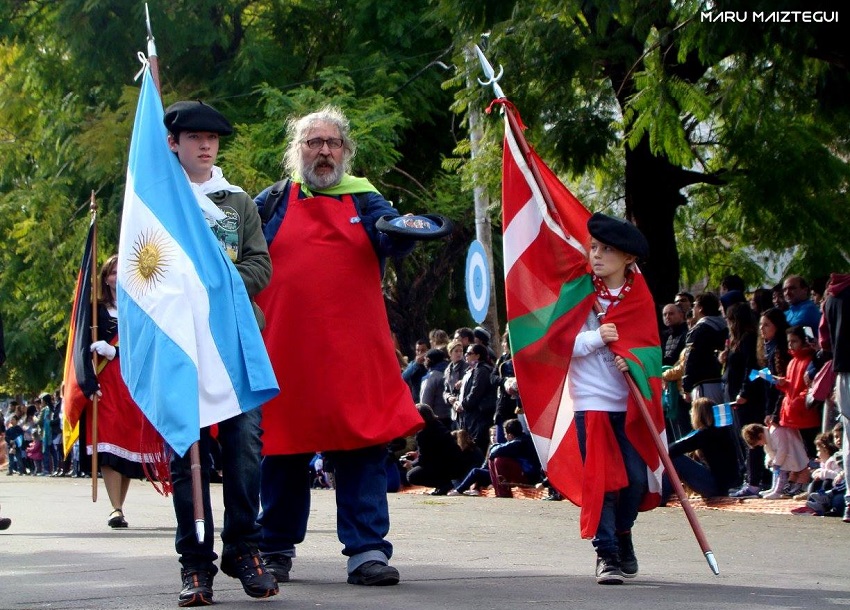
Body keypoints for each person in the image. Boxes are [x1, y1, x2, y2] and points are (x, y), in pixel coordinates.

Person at [254, 105, 423, 587]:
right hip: (287, 352)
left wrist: (405, 231)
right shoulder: (270, 202)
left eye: (332, 143)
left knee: (364, 446)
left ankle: (367, 551)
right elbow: (241, 259)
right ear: (297, 151)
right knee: (282, 449)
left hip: (353, 354)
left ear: (346, 151)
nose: (324, 151)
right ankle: (275, 547)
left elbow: (393, 237)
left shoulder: (368, 201)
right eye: (313, 142)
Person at [163, 100, 278, 606]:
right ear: (173, 143)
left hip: (233, 338)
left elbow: (260, 265)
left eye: (212, 138)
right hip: (179, 343)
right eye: (194, 137)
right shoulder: (157, 201)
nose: (206, 145)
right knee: (184, 452)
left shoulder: (238, 203)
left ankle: (244, 547)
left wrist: (213, 287)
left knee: (246, 443)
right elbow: (138, 274)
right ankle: (195, 562)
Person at [566, 213, 662, 585]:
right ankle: (606, 555)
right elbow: (554, 346)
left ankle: (623, 533)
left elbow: (653, 352)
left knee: (635, 481)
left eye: (607, 250)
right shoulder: (578, 292)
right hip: (591, 402)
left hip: (630, 405)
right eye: (594, 247)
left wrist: (634, 359)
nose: (597, 255)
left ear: (629, 259)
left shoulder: (641, 296)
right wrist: (596, 338)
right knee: (602, 483)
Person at [661, 398, 740, 501]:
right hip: (725, 483)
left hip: (717, 486)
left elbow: (674, 448)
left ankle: (662, 496)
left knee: (676, 459)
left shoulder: (706, 433)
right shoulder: (721, 431)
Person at [823, 272, 850, 521]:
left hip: (842, 372)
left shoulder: (831, 297)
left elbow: (824, 341)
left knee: (849, 438)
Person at [774, 326, 822, 462]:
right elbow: (792, 387)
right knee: (801, 453)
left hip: (806, 413)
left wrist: (797, 401)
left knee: (812, 450)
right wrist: (783, 384)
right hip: (794, 413)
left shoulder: (811, 360)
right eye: (789, 342)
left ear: (804, 341)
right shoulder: (792, 362)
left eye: (794, 341)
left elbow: (811, 387)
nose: (790, 345)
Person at [401, 404, 464, 495]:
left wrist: (411, 463)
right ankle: (443, 485)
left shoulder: (423, 433)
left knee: (411, 476)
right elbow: (433, 450)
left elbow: (424, 460)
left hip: (446, 467)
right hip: (455, 464)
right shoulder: (437, 425)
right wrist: (417, 454)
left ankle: (444, 485)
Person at [681, 292, 728, 404]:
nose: (693, 309)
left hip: (703, 383)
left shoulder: (699, 330)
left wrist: (686, 387)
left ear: (700, 308)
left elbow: (691, 358)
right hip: (722, 381)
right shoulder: (724, 327)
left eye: (695, 305)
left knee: (704, 418)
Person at [741, 423, 808, 500]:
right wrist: (771, 461)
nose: (760, 445)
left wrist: (777, 463)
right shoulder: (769, 436)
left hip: (793, 454)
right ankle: (774, 488)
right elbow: (771, 452)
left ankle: (778, 491)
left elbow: (782, 450)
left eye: (759, 443)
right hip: (786, 455)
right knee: (776, 469)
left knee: (781, 470)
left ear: (760, 435)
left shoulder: (776, 433)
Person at [458, 343, 497, 452]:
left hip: (480, 418)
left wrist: (463, 404)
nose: (466, 355)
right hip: (474, 418)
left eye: (469, 353)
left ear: (478, 356)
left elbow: (475, 392)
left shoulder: (482, 370)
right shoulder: (474, 370)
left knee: (479, 449)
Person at [487, 418, 541, 498]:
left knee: (499, 460)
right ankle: (498, 491)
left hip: (529, 476)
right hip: (524, 472)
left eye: (505, 434)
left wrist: (493, 447)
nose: (505, 437)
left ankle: (503, 493)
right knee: (492, 459)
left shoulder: (519, 442)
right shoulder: (521, 440)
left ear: (510, 435)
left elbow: (495, 452)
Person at [420, 349, 450, 428]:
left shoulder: (431, 377)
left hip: (437, 420)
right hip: (452, 417)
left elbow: (425, 402)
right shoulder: (451, 371)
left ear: (429, 360)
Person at [442, 339, 468, 429]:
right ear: (450, 353)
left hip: (465, 407)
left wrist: (463, 382)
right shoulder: (448, 370)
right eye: (456, 351)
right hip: (454, 409)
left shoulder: (467, 367)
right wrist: (449, 398)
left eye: (461, 351)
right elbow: (446, 390)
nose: (459, 353)